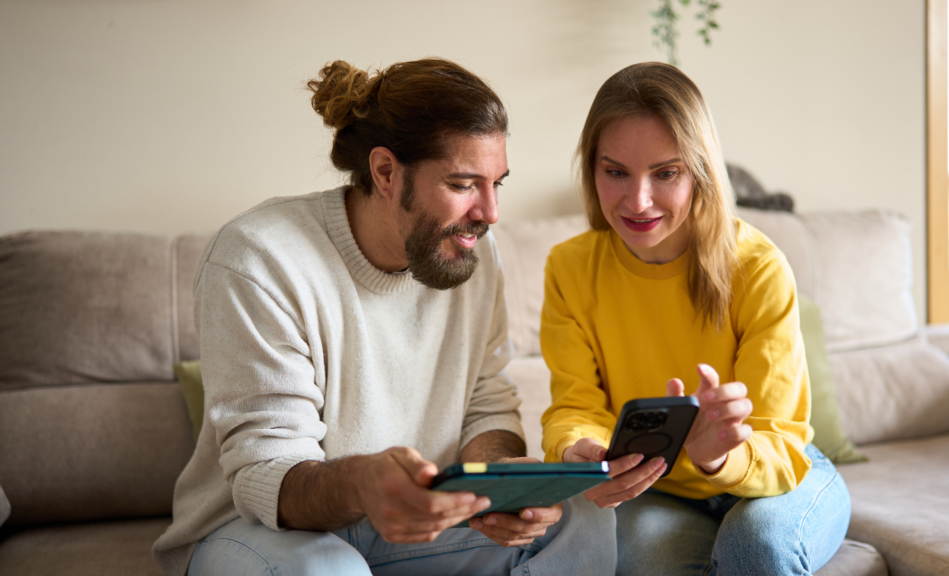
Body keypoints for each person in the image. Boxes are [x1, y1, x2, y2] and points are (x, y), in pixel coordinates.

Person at [153, 57, 616, 576]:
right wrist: (364, 483)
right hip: (255, 533)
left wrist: (502, 483)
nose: (490, 213)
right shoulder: (259, 258)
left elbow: (486, 403)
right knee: (329, 569)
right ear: (386, 172)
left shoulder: (472, 256)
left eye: (497, 184)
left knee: (584, 519)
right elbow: (266, 472)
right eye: (465, 185)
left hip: (411, 526)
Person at [540, 62, 851, 575]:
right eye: (615, 171)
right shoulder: (570, 268)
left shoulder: (757, 267)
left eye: (666, 173)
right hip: (662, 490)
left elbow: (779, 439)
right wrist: (579, 450)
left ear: (700, 170)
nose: (637, 201)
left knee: (755, 548)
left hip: (778, 474)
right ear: (590, 168)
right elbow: (574, 404)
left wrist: (720, 457)